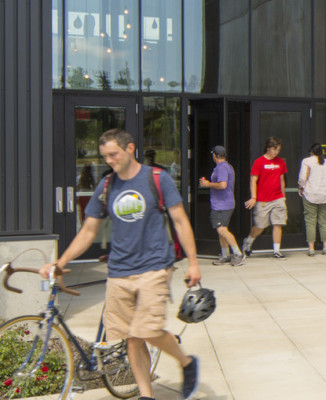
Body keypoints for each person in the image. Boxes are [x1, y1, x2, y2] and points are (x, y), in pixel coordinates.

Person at [41, 128, 202, 400]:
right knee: (131, 337)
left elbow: (180, 221)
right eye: (105, 156)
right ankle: (146, 395)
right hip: (119, 271)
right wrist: (62, 260)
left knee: (147, 330)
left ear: (130, 149)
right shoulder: (107, 186)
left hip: (154, 266)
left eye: (113, 154)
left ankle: (186, 362)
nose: (109, 160)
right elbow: (89, 230)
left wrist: (194, 263)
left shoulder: (157, 179)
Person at [242, 137, 288, 259]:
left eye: (278, 150)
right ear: (268, 148)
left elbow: (282, 180)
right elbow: (253, 180)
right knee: (260, 225)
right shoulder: (259, 162)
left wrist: (283, 196)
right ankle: (248, 241)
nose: (277, 152)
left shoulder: (280, 162)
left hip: (278, 197)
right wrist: (253, 197)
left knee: (278, 223)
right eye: (275, 149)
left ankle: (277, 251)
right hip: (263, 199)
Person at [199, 145, 241, 266]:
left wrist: (208, 184)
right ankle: (225, 255)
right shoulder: (226, 166)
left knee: (221, 229)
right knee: (222, 230)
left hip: (223, 205)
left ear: (215, 155)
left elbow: (223, 185)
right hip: (222, 204)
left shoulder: (222, 168)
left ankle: (238, 254)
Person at [298, 144, 326, 257]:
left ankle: (311, 248)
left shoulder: (307, 161)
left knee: (310, 221)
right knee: (324, 221)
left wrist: (301, 187)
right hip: (324, 196)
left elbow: (303, 177)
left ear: (311, 152)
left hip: (310, 194)